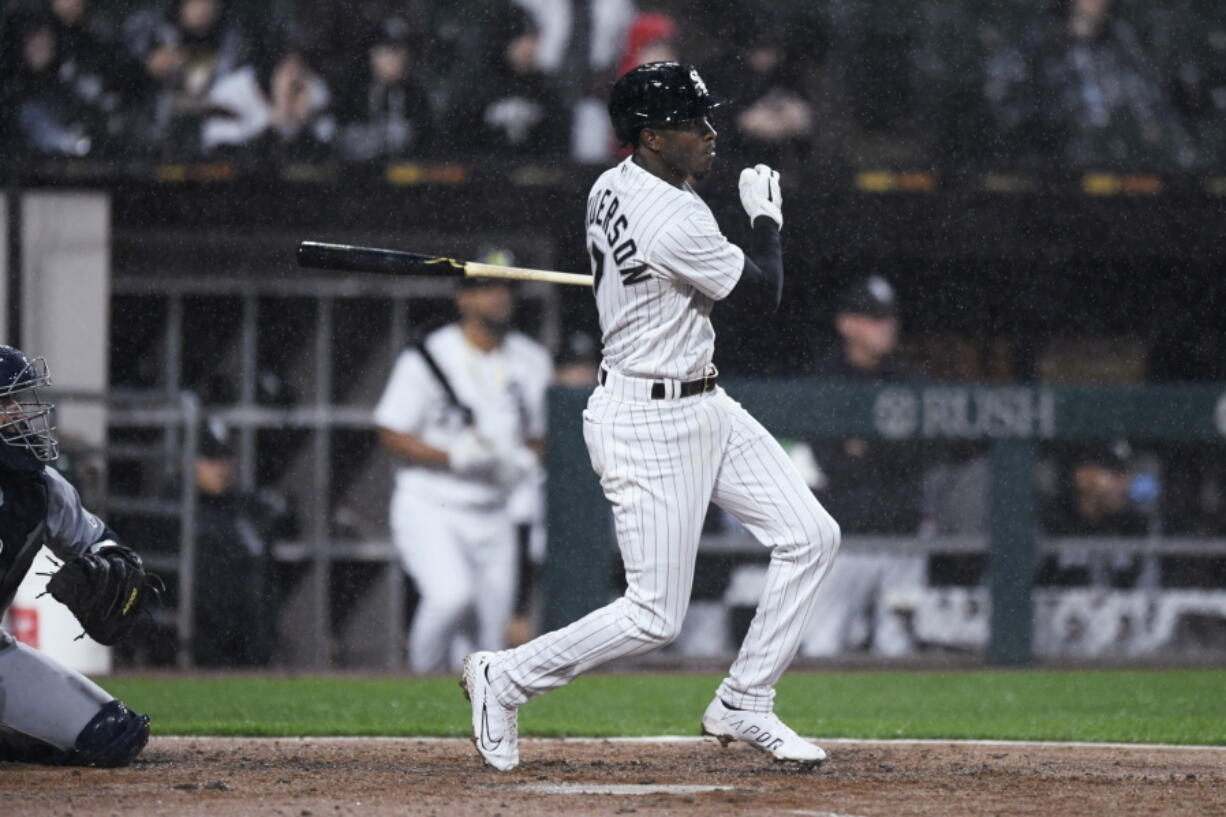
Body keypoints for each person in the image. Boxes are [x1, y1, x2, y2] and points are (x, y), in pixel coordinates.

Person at [459, 61, 840, 772]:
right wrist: (766, 219)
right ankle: (503, 677)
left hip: (701, 398)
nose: (710, 132)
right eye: (693, 123)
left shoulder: (613, 184)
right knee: (653, 615)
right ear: (652, 137)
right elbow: (763, 295)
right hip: (648, 419)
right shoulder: (677, 218)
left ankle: (746, 698)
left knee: (812, 535)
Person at [374, 275, 552, 674]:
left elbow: (538, 436)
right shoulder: (428, 356)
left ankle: (468, 719)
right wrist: (452, 456)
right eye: (487, 286)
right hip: (432, 501)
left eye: (506, 287)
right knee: (450, 597)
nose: (499, 296)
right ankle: (416, 687)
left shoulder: (531, 360)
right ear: (464, 297)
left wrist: (523, 460)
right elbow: (391, 431)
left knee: (490, 635)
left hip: (494, 508)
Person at [0, 345, 155, 766]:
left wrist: (112, 568)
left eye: (16, 401)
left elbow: (101, 542)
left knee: (113, 734)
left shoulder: (41, 487)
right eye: (3, 403)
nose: (17, 414)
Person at [802, 275, 926, 657]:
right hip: (843, 537)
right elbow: (828, 461)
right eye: (874, 318)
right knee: (823, 643)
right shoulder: (823, 381)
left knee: (898, 646)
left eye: (889, 318)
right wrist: (882, 455)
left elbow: (923, 457)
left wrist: (866, 450)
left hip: (900, 534)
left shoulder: (908, 381)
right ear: (847, 323)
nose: (886, 327)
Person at [189, 419, 280, 667]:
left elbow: (269, 583)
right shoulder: (172, 510)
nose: (220, 467)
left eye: (224, 457)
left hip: (245, 644)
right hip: (192, 644)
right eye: (210, 458)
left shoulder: (247, 509)